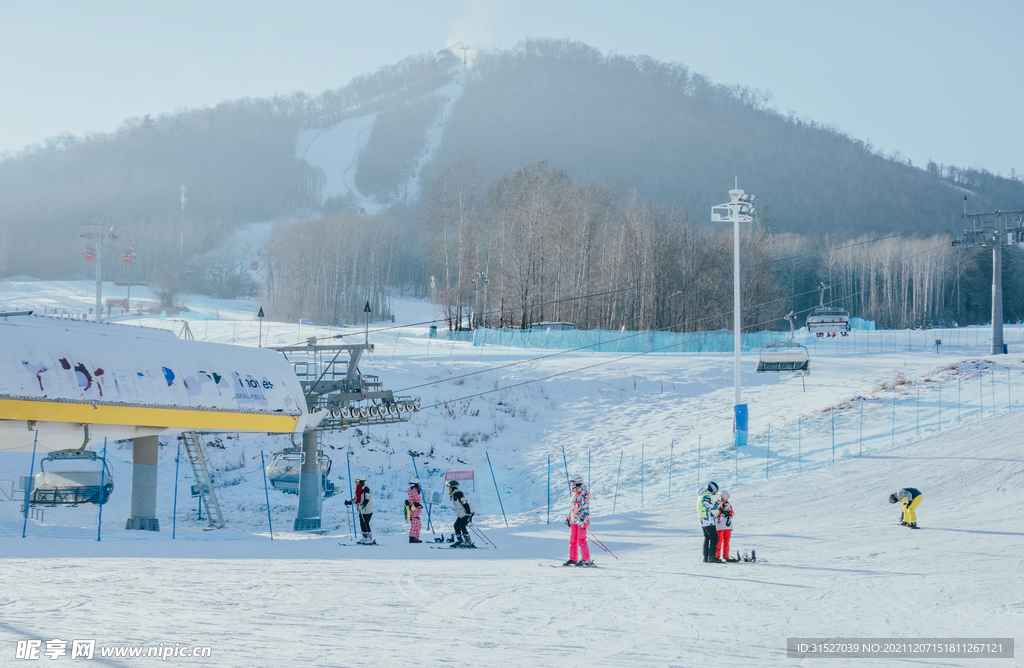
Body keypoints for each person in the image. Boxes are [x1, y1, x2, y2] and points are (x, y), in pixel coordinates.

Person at [563, 475, 593, 567]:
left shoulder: (583, 493)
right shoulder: (574, 493)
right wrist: (569, 517)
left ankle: (586, 560)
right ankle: (573, 558)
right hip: (574, 520)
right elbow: (573, 508)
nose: (571, 485)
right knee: (572, 540)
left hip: (581, 521)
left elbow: (585, 508)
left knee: (581, 540)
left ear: (577, 483)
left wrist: (582, 520)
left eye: (572, 483)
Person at [344, 477, 375, 544]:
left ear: (361, 481)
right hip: (361, 510)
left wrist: (362, 505)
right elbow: (356, 499)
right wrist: (349, 502)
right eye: (355, 480)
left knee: (366, 523)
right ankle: (365, 538)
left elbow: (367, 499)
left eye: (357, 480)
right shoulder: (359, 489)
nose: (356, 482)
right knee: (362, 524)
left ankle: (369, 538)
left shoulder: (366, 488)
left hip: (367, 509)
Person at [446, 480, 475, 547]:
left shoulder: (458, 493)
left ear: (453, 487)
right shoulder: (453, 494)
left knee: (462, 525)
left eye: (449, 487)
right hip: (461, 513)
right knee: (456, 525)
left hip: (467, 512)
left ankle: (468, 542)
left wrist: (469, 514)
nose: (448, 489)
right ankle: (459, 541)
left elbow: (465, 503)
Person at [699, 481, 721, 563]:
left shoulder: (702, 495)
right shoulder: (706, 496)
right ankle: (711, 557)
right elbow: (711, 508)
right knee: (714, 538)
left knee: (707, 538)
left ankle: (705, 558)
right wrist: (717, 506)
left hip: (703, 520)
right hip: (708, 520)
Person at [715, 491, 734, 561]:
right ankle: (716, 556)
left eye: (727, 497)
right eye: (725, 497)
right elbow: (715, 513)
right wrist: (721, 512)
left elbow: (732, 512)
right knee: (719, 542)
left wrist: (729, 514)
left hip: (727, 526)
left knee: (726, 542)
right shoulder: (717, 504)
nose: (726, 499)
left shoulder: (728, 504)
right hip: (720, 526)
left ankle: (726, 556)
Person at [406, 478, 424, 543]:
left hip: (412, 508)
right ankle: (413, 538)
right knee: (415, 523)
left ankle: (415, 537)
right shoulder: (414, 491)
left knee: (417, 523)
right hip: (415, 509)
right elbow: (418, 500)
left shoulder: (411, 491)